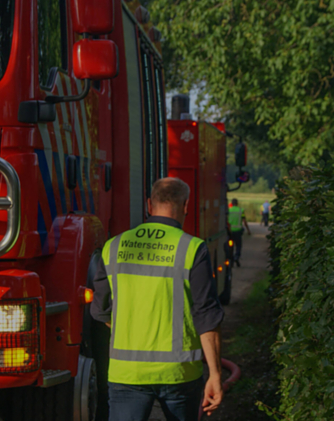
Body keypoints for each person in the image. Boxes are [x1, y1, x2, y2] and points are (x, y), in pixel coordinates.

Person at [91, 178, 225, 421]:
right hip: (179, 374)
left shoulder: (113, 246)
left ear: (149, 204)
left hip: (127, 373)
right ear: (185, 206)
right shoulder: (192, 248)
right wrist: (215, 374)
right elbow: (206, 315)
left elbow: (102, 312)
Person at [227, 199, 250, 266]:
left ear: (231, 203)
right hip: (238, 231)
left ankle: (230, 259)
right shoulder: (241, 210)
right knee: (238, 245)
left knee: (230, 246)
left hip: (230, 231)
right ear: (237, 203)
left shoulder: (229, 210)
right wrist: (248, 230)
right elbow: (244, 221)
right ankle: (236, 257)